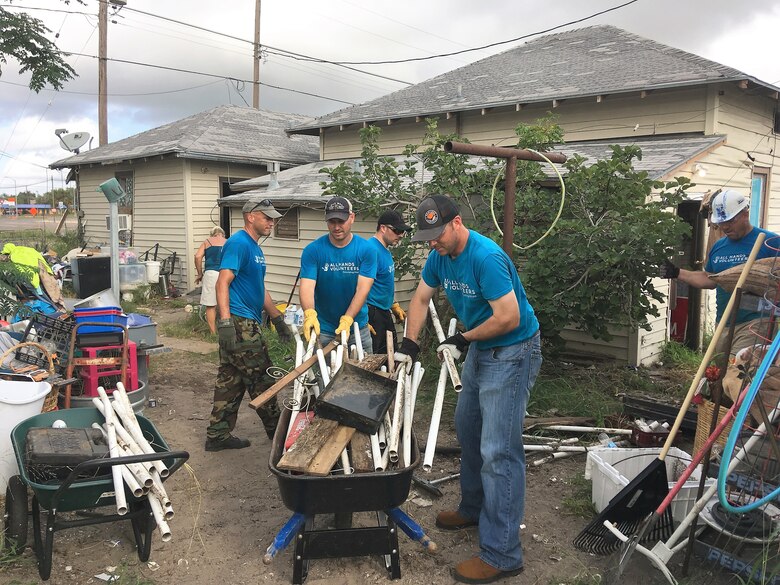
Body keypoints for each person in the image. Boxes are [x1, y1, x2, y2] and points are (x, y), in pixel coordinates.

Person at [395, 195, 541, 584]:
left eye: (437, 234)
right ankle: (474, 508)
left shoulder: (485, 257)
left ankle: (503, 554)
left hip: (512, 349)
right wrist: (410, 343)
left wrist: (461, 340)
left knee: (499, 451)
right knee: (469, 429)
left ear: (457, 223)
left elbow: (508, 317)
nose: (432, 243)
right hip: (481, 345)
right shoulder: (439, 256)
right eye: (426, 237)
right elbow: (421, 298)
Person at [205, 199, 291, 452]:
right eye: (267, 218)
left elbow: (259, 289)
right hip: (240, 324)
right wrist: (225, 321)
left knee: (231, 380)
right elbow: (223, 282)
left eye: (273, 218)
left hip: (247, 321)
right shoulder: (239, 243)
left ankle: (217, 435)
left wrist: (277, 318)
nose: (271, 223)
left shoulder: (255, 249)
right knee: (262, 379)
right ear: (251, 216)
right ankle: (280, 436)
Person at [662, 189, 778, 360]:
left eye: (730, 220)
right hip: (724, 321)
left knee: (738, 372)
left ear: (745, 214)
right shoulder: (719, 246)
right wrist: (677, 272)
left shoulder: (769, 242)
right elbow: (710, 279)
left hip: (755, 322)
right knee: (718, 376)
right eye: (721, 222)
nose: (725, 226)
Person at [299, 196, 377, 352]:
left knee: (363, 375)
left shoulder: (366, 250)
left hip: (357, 328)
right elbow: (307, 287)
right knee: (324, 376)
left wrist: (348, 319)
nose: (336, 227)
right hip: (324, 328)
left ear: (352, 217)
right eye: (332, 222)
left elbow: (363, 290)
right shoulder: (313, 250)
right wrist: (309, 313)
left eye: (341, 221)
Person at [366, 209, 411, 353]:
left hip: (383, 310)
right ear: (383, 228)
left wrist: (393, 304)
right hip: (372, 312)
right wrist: (361, 318)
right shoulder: (371, 250)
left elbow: (382, 283)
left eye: (402, 232)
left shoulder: (384, 250)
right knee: (376, 360)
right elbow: (356, 285)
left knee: (390, 357)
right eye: (397, 230)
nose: (401, 235)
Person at [194, 226, 227, 334]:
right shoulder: (228, 242)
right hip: (225, 273)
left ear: (212, 234)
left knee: (210, 304)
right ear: (223, 234)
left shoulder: (207, 241)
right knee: (226, 303)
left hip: (211, 273)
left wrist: (199, 274)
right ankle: (227, 331)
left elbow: (198, 256)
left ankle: (213, 333)